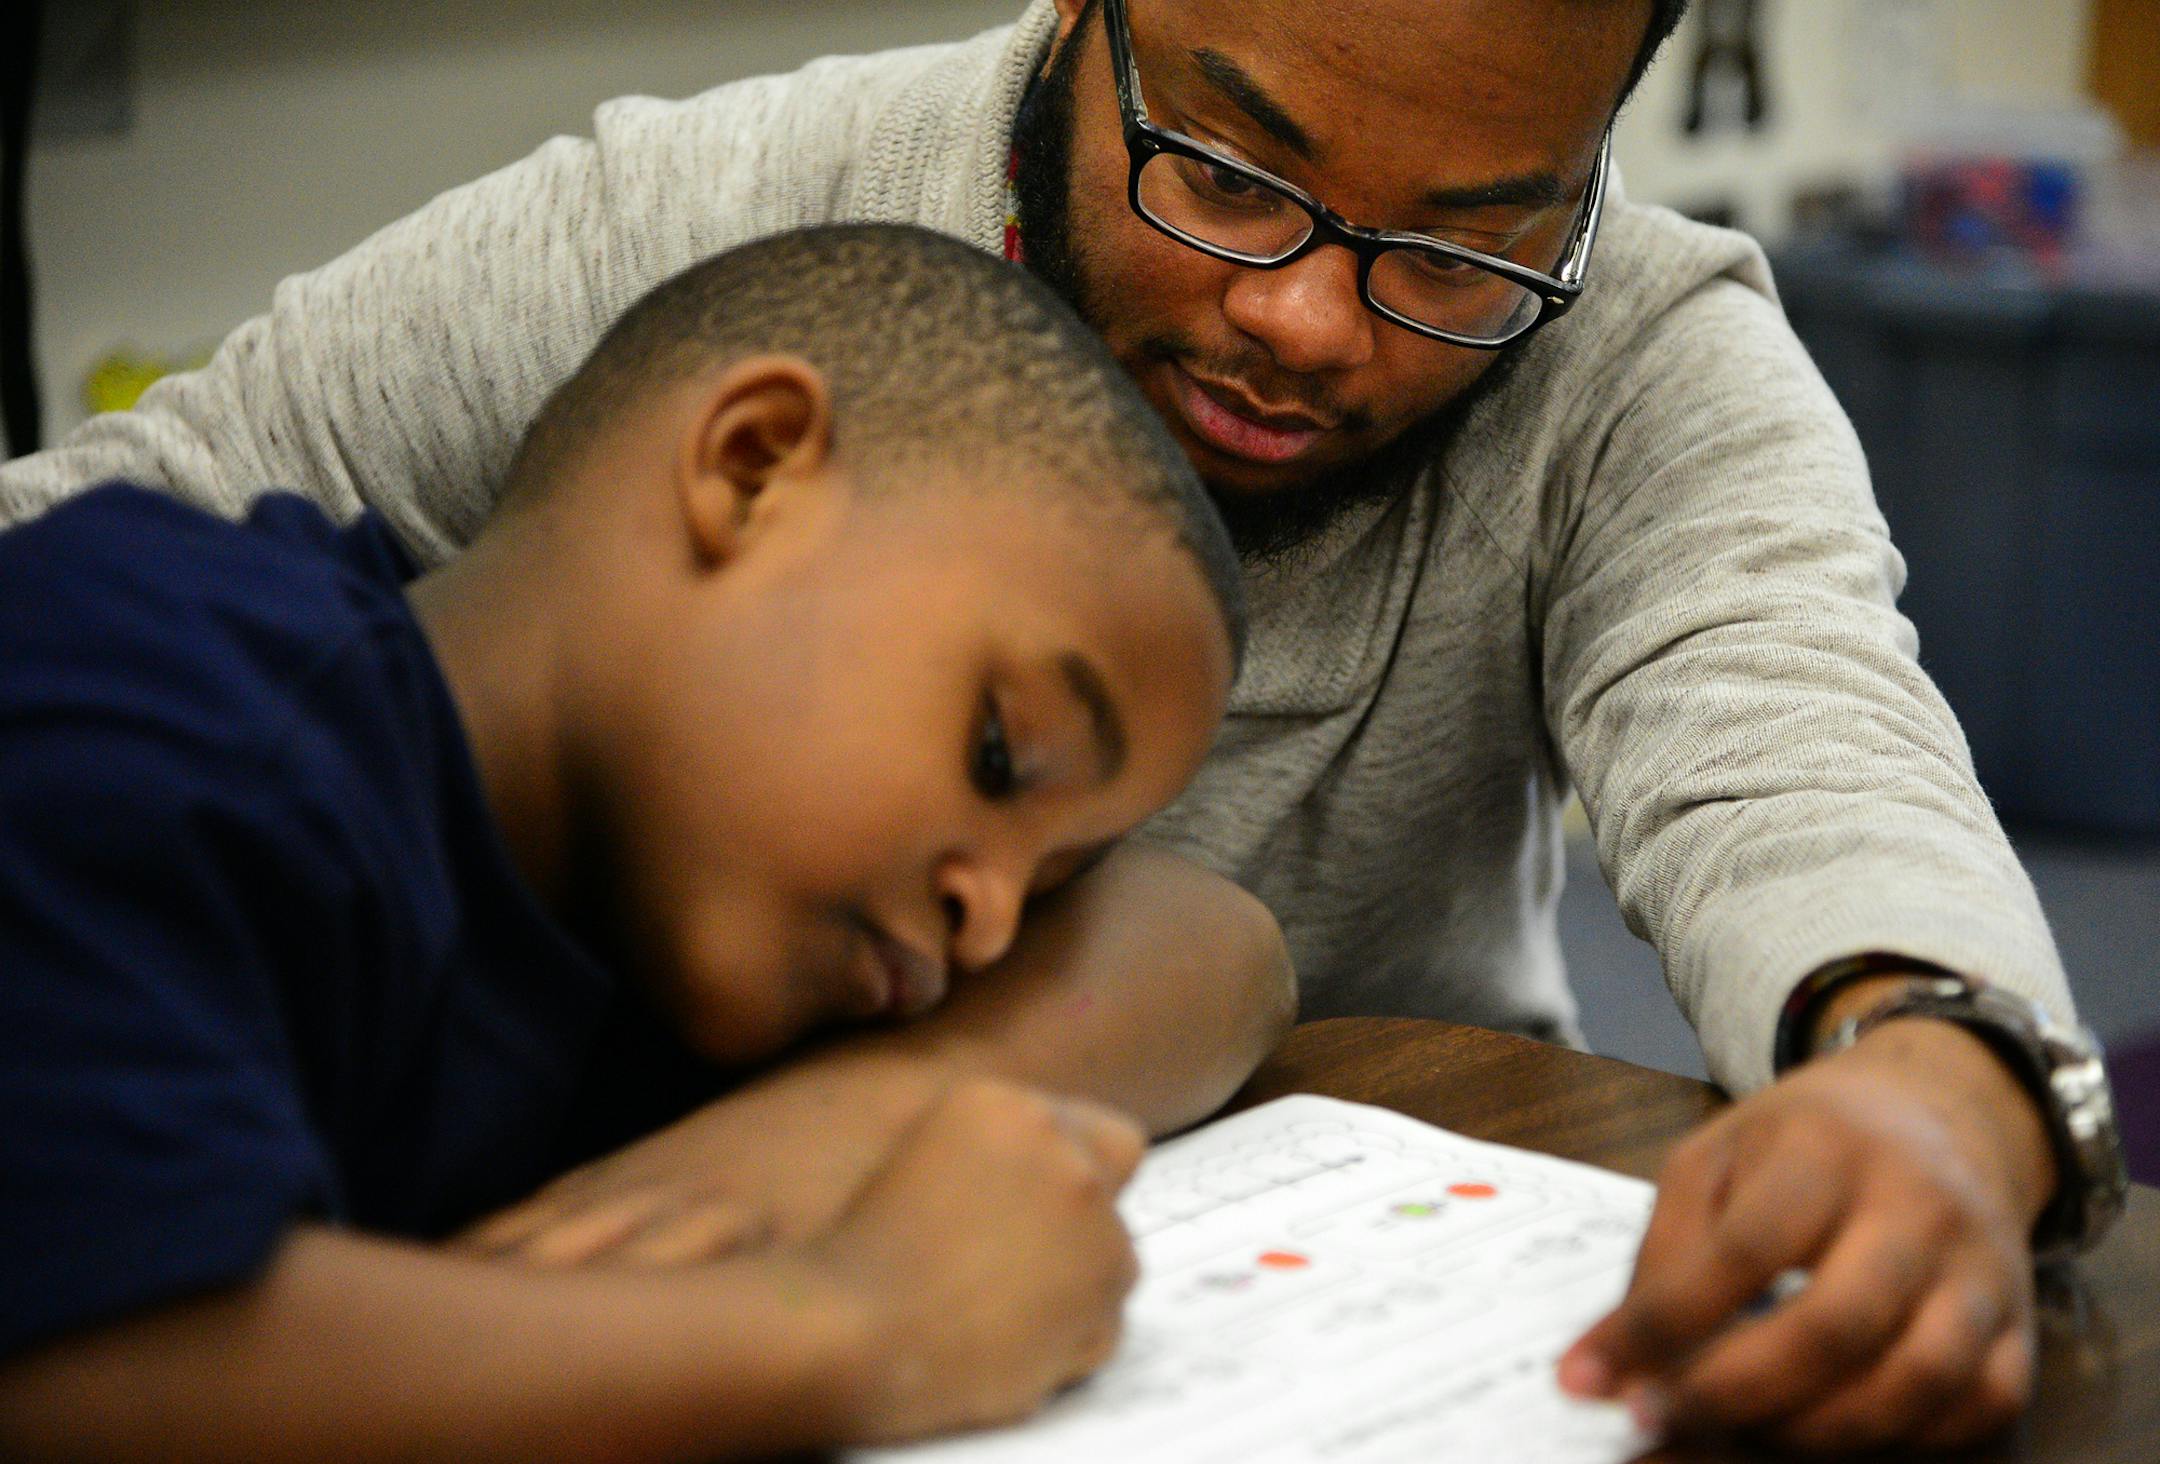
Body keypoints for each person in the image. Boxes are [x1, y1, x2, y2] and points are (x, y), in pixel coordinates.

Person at [0, 0, 2121, 1452]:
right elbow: (116, 536)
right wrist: (842, 1314)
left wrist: (1942, 1089)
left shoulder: (1635, 359)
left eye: (1465, 248)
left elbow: (1804, 740)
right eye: (1230, 167)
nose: (1304, 317)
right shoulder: (730, 239)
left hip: (1336, 1255)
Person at [0, 224, 1255, 1462]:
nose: (992, 926)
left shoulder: (678, 911)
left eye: (1052, 876)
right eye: (998, 755)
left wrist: (818, 1130)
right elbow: (85, 1361)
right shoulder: (163, 675)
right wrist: (870, 1326)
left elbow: (1220, 948)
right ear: (752, 470)